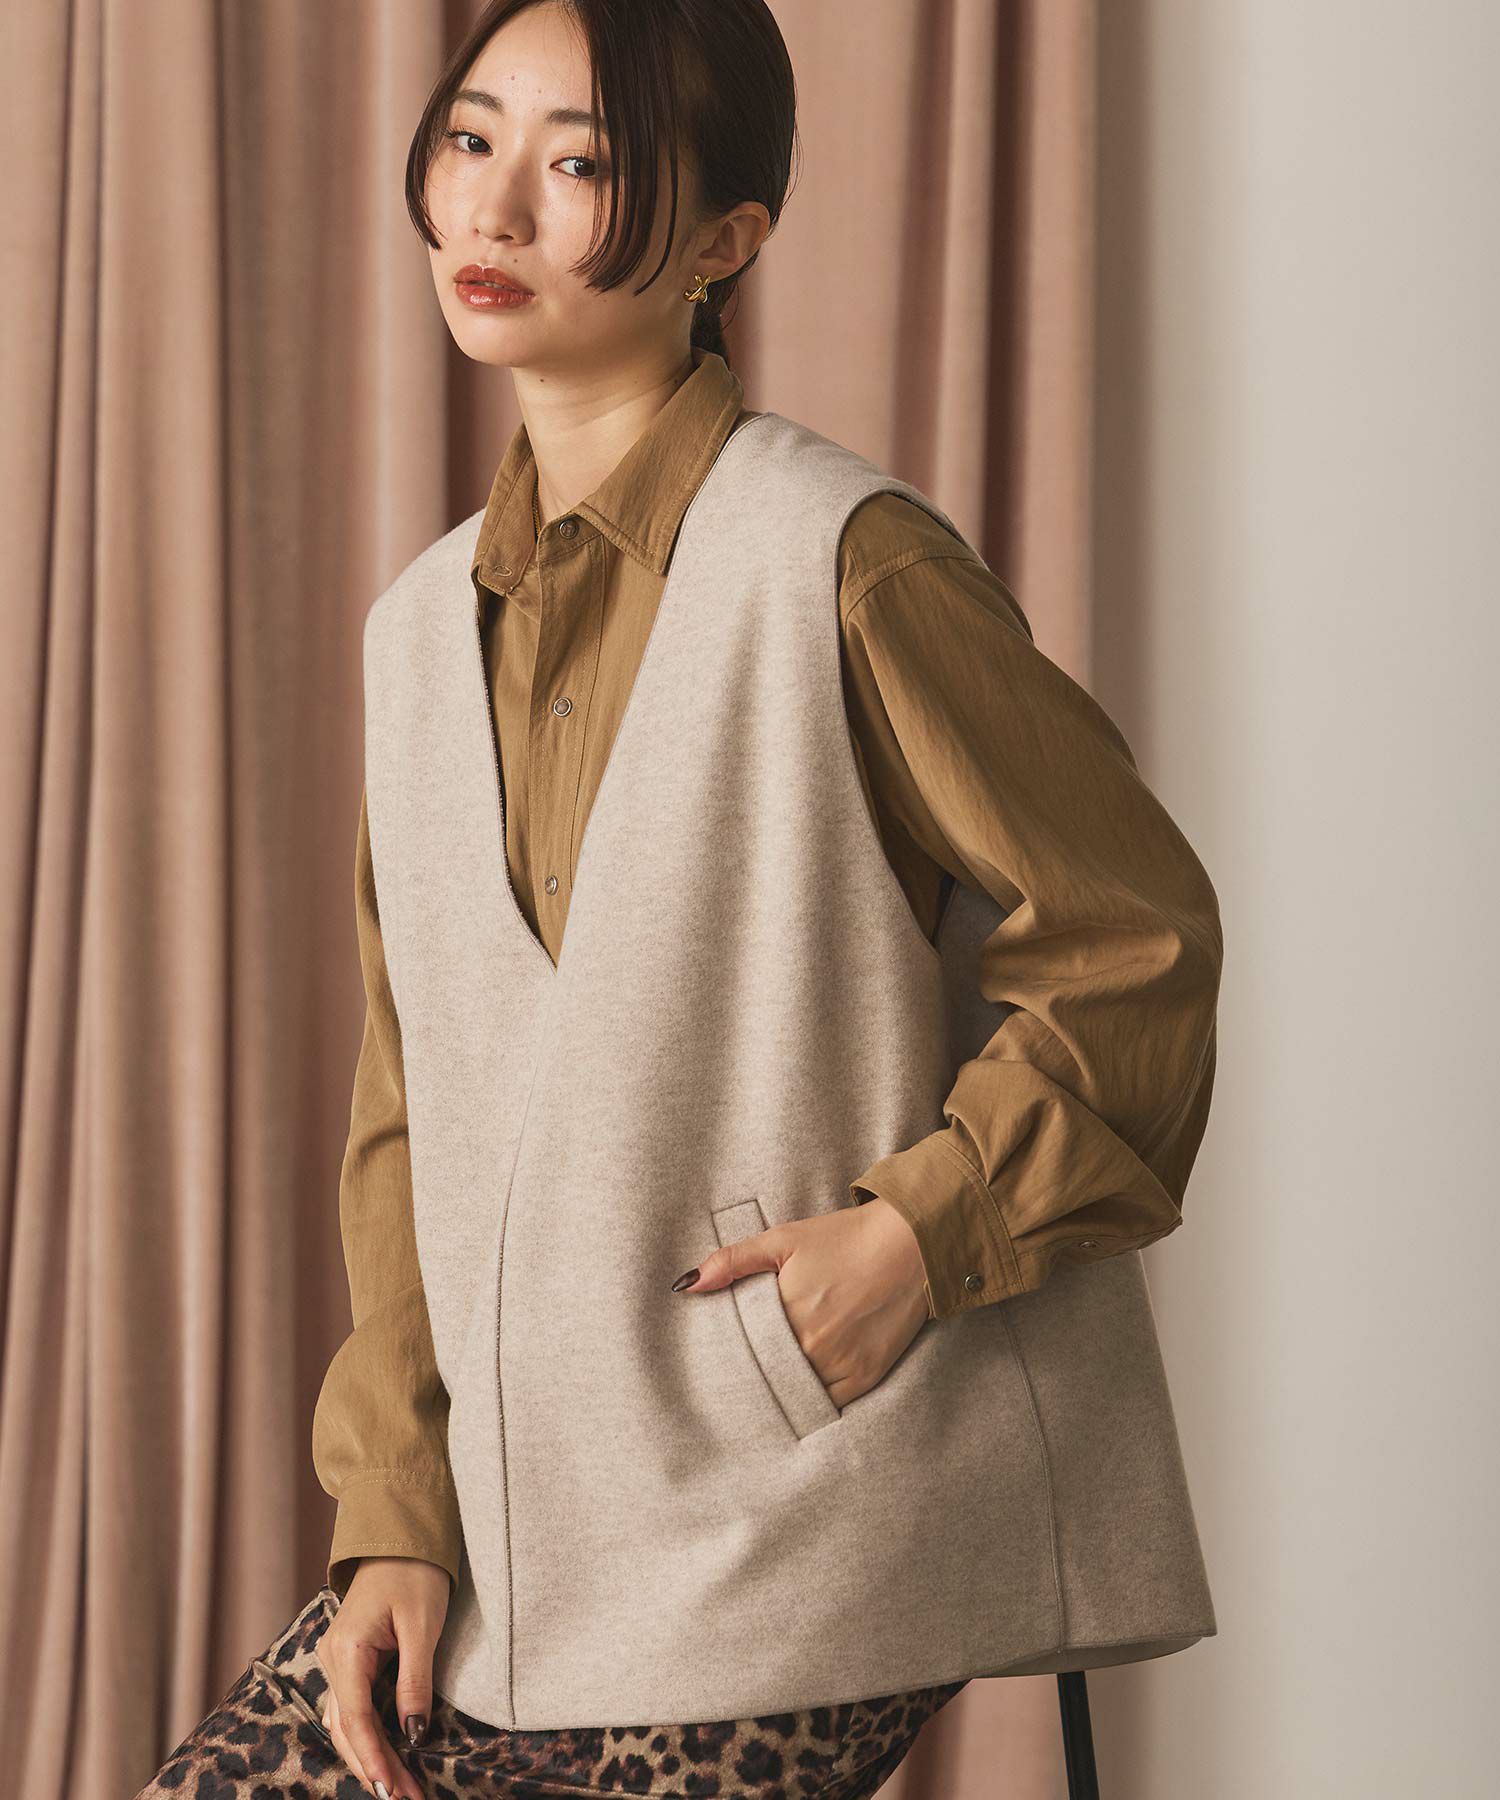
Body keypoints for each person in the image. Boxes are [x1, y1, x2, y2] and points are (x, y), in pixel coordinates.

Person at [135, 1, 1222, 1795]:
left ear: (725, 242)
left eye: (581, 165)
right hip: (520, 1540)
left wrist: (917, 1237)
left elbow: (1136, 946)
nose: (495, 209)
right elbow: (411, 1108)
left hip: (803, 1506)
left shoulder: (847, 562)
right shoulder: (414, 637)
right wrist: (394, 1508)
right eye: (472, 139)